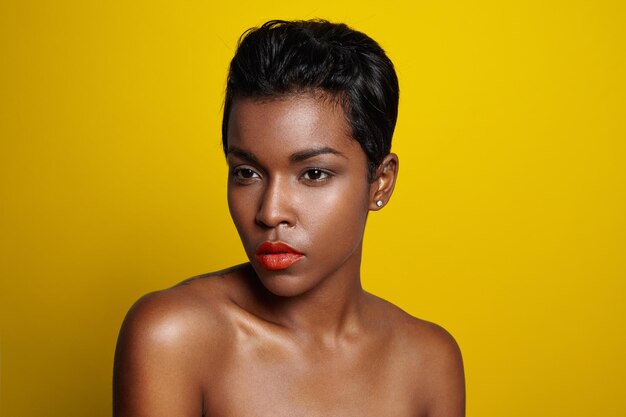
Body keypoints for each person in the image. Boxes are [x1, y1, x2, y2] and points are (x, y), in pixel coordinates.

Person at [113, 19, 465, 417]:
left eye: (313, 174)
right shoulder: (173, 338)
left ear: (380, 182)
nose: (270, 212)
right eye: (247, 172)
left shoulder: (429, 363)